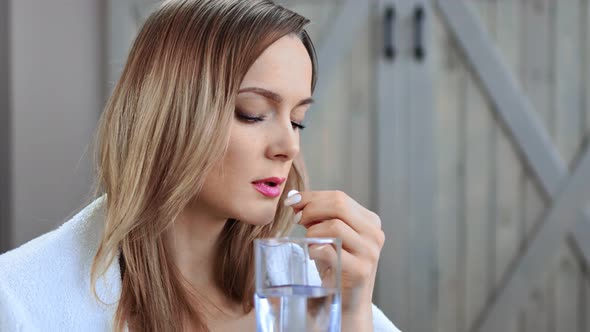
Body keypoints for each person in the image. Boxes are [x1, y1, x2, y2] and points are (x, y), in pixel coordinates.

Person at [0, 0, 401, 331]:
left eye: (297, 120)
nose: (289, 146)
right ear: (171, 116)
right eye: (253, 113)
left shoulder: (307, 293)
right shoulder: (20, 302)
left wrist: (350, 313)